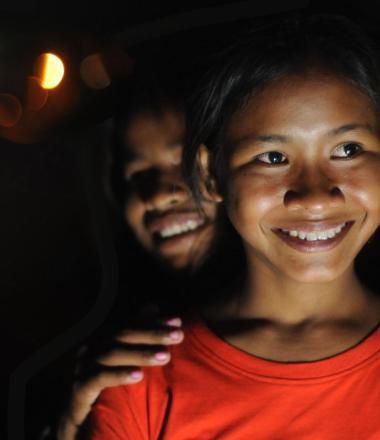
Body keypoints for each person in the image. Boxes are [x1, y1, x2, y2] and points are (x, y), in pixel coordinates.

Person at [83, 13, 380, 439]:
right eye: (273, 158)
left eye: (348, 149)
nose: (314, 195)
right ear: (209, 176)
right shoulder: (141, 383)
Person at [55, 61, 221, 440]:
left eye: (185, 162)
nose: (158, 194)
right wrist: (70, 426)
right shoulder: (117, 357)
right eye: (137, 176)